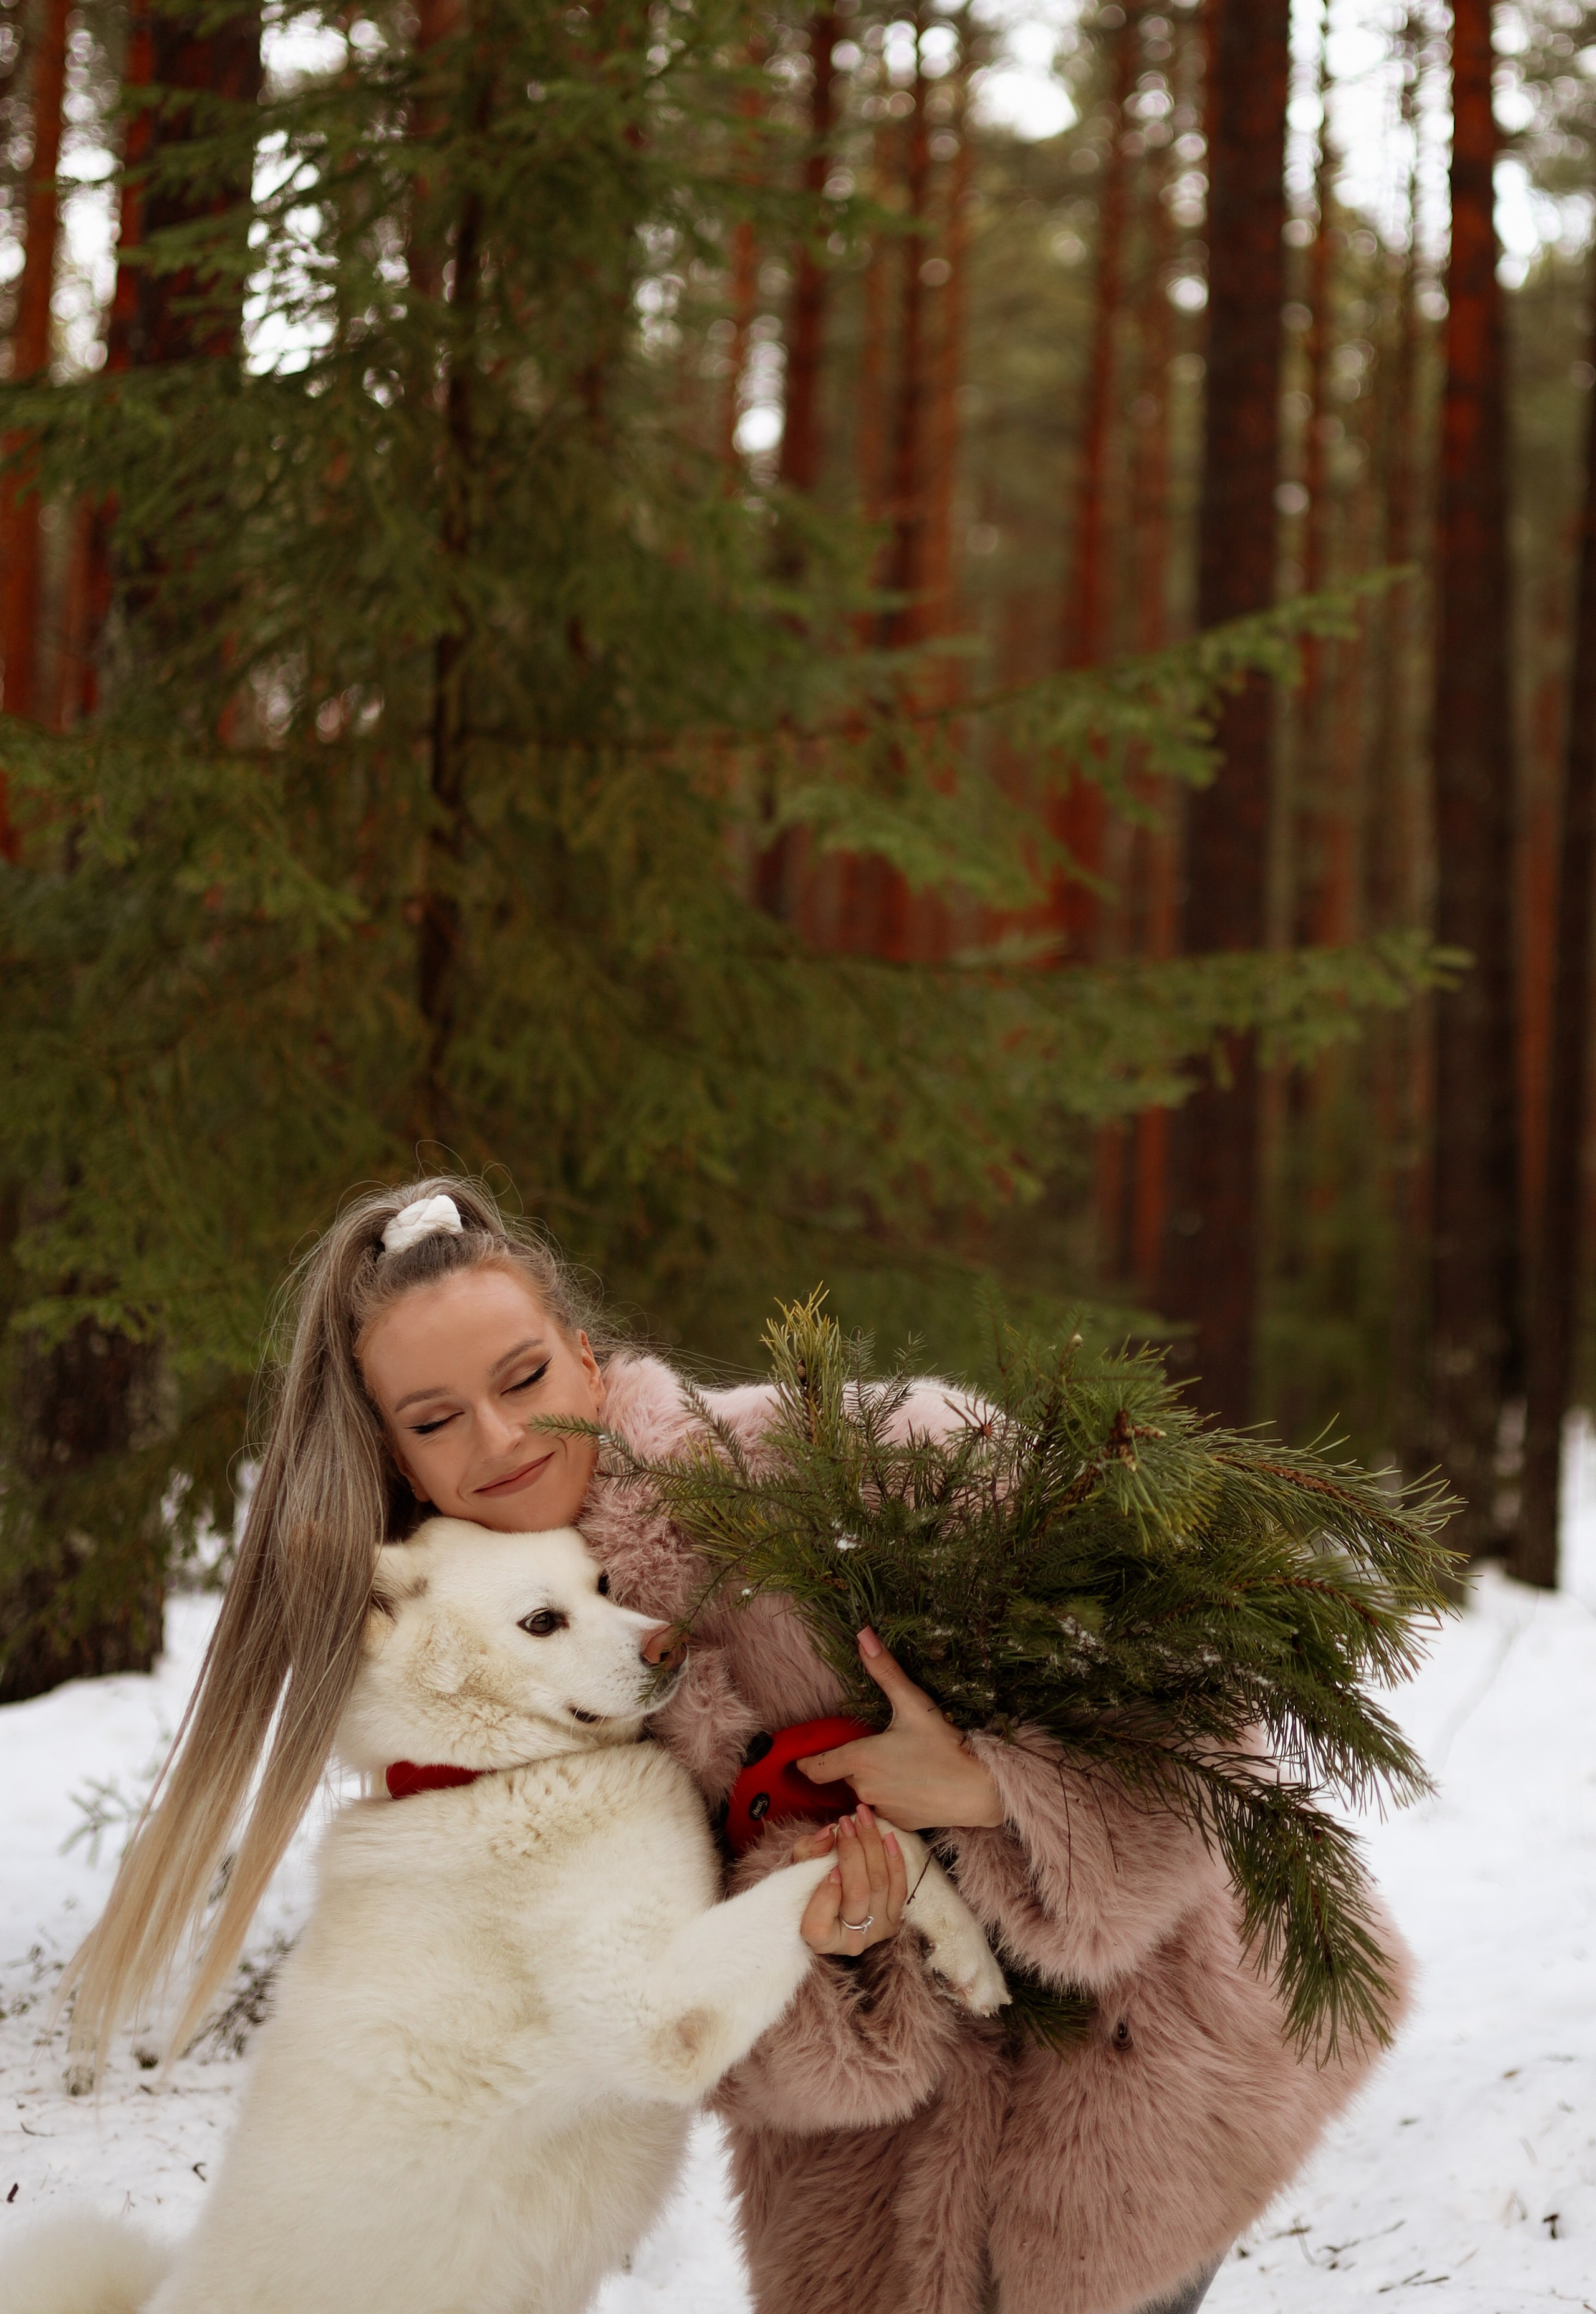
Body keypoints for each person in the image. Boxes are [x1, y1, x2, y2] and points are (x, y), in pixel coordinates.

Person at [69, 1176, 1411, 2314]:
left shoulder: (854, 1454)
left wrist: (991, 1789)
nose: (501, 1437)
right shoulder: (480, 1680)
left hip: (1148, 2069)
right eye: (435, 1419)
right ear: (397, 1456)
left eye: (524, 1376)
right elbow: (697, 2034)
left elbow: (1184, 1687)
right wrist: (837, 1950)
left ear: (585, 1355)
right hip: (883, 2201)